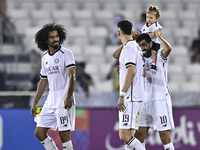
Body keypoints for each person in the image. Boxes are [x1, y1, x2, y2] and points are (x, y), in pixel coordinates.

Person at [113, 30, 175, 150]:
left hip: (160, 100)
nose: (142, 48)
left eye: (144, 45)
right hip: (144, 101)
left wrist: (158, 37)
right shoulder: (138, 58)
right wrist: (129, 39)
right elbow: (117, 56)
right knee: (139, 136)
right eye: (139, 45)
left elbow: (168, 49)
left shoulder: (159, 56)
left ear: (150, 44)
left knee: (164, 136)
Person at [30, 23, 76, 150]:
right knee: (39, 132)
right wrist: (35, 102)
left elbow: (72, 76)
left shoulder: (66, 53)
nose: (55, 39)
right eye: (52, 37)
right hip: (50, 100)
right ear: (45, 40)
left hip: (64, 98)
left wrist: (69, 97)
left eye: (57, 36)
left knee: (64, 134)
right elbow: (43, 81)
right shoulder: (44, 57)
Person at [116, 20, 146, 150]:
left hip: (130, 97)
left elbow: (131, 71)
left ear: (118, 32)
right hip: (136, 95)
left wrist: (122, 94)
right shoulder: (136, 47)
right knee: (130, 134)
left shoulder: (128, 47)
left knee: (124, 135)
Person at [140, 5, 162, 71]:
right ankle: (142, 64)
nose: (148, 19)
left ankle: (153, 64)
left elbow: (160, 31)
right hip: (147, 43)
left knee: (153, 52)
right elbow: (142, 32)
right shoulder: (145, 25)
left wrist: (155, 33)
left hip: (155, 42)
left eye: (151, 18)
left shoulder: (156, 25)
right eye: (147, 17)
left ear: (156, 18)